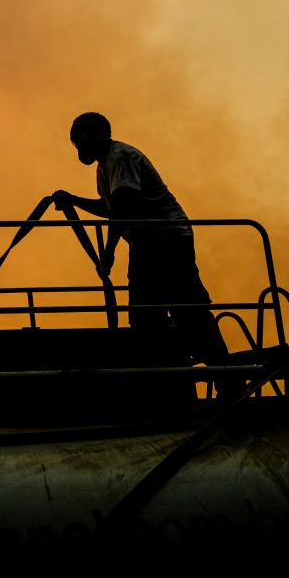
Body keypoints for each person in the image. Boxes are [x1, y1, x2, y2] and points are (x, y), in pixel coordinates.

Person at [52, 112, 235, 397]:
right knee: (148, 316)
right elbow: (110, 206)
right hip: (148, 242)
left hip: (167, 239)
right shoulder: (105, 166)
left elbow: (123, 208)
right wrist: (73, 200)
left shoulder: (121, 157)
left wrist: (109, 252)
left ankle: (228, 381)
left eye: (80, 141)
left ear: (96, 135)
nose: (79, 149)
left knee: (188, 313)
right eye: (76, 144)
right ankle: (169, 384)